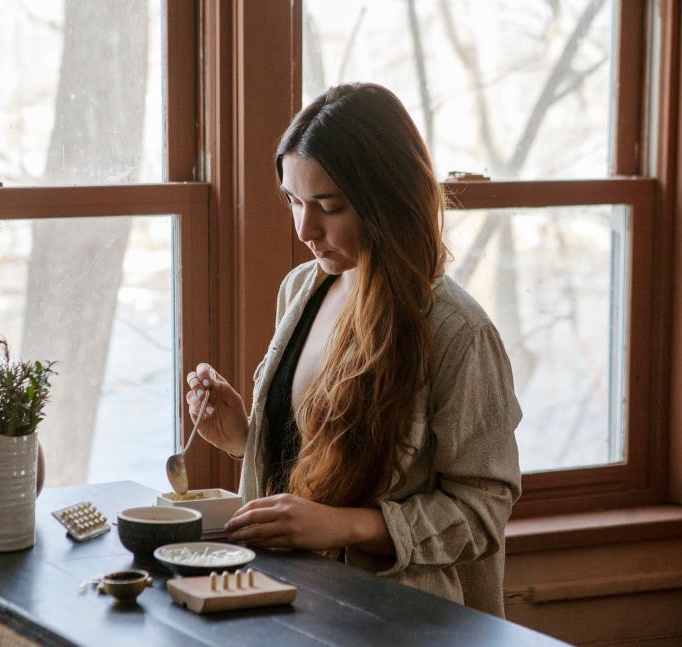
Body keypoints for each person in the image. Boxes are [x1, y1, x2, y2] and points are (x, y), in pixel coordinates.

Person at [184, 82, 522, 616]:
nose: (304, 228)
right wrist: (244, 438)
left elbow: (483, 511)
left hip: (397, 620)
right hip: (284, 603)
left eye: (330, 206)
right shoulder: (301, 290)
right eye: (293, 201)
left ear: (389, 199)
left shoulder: (458, 331)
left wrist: (347, 525)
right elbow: (316, 467)